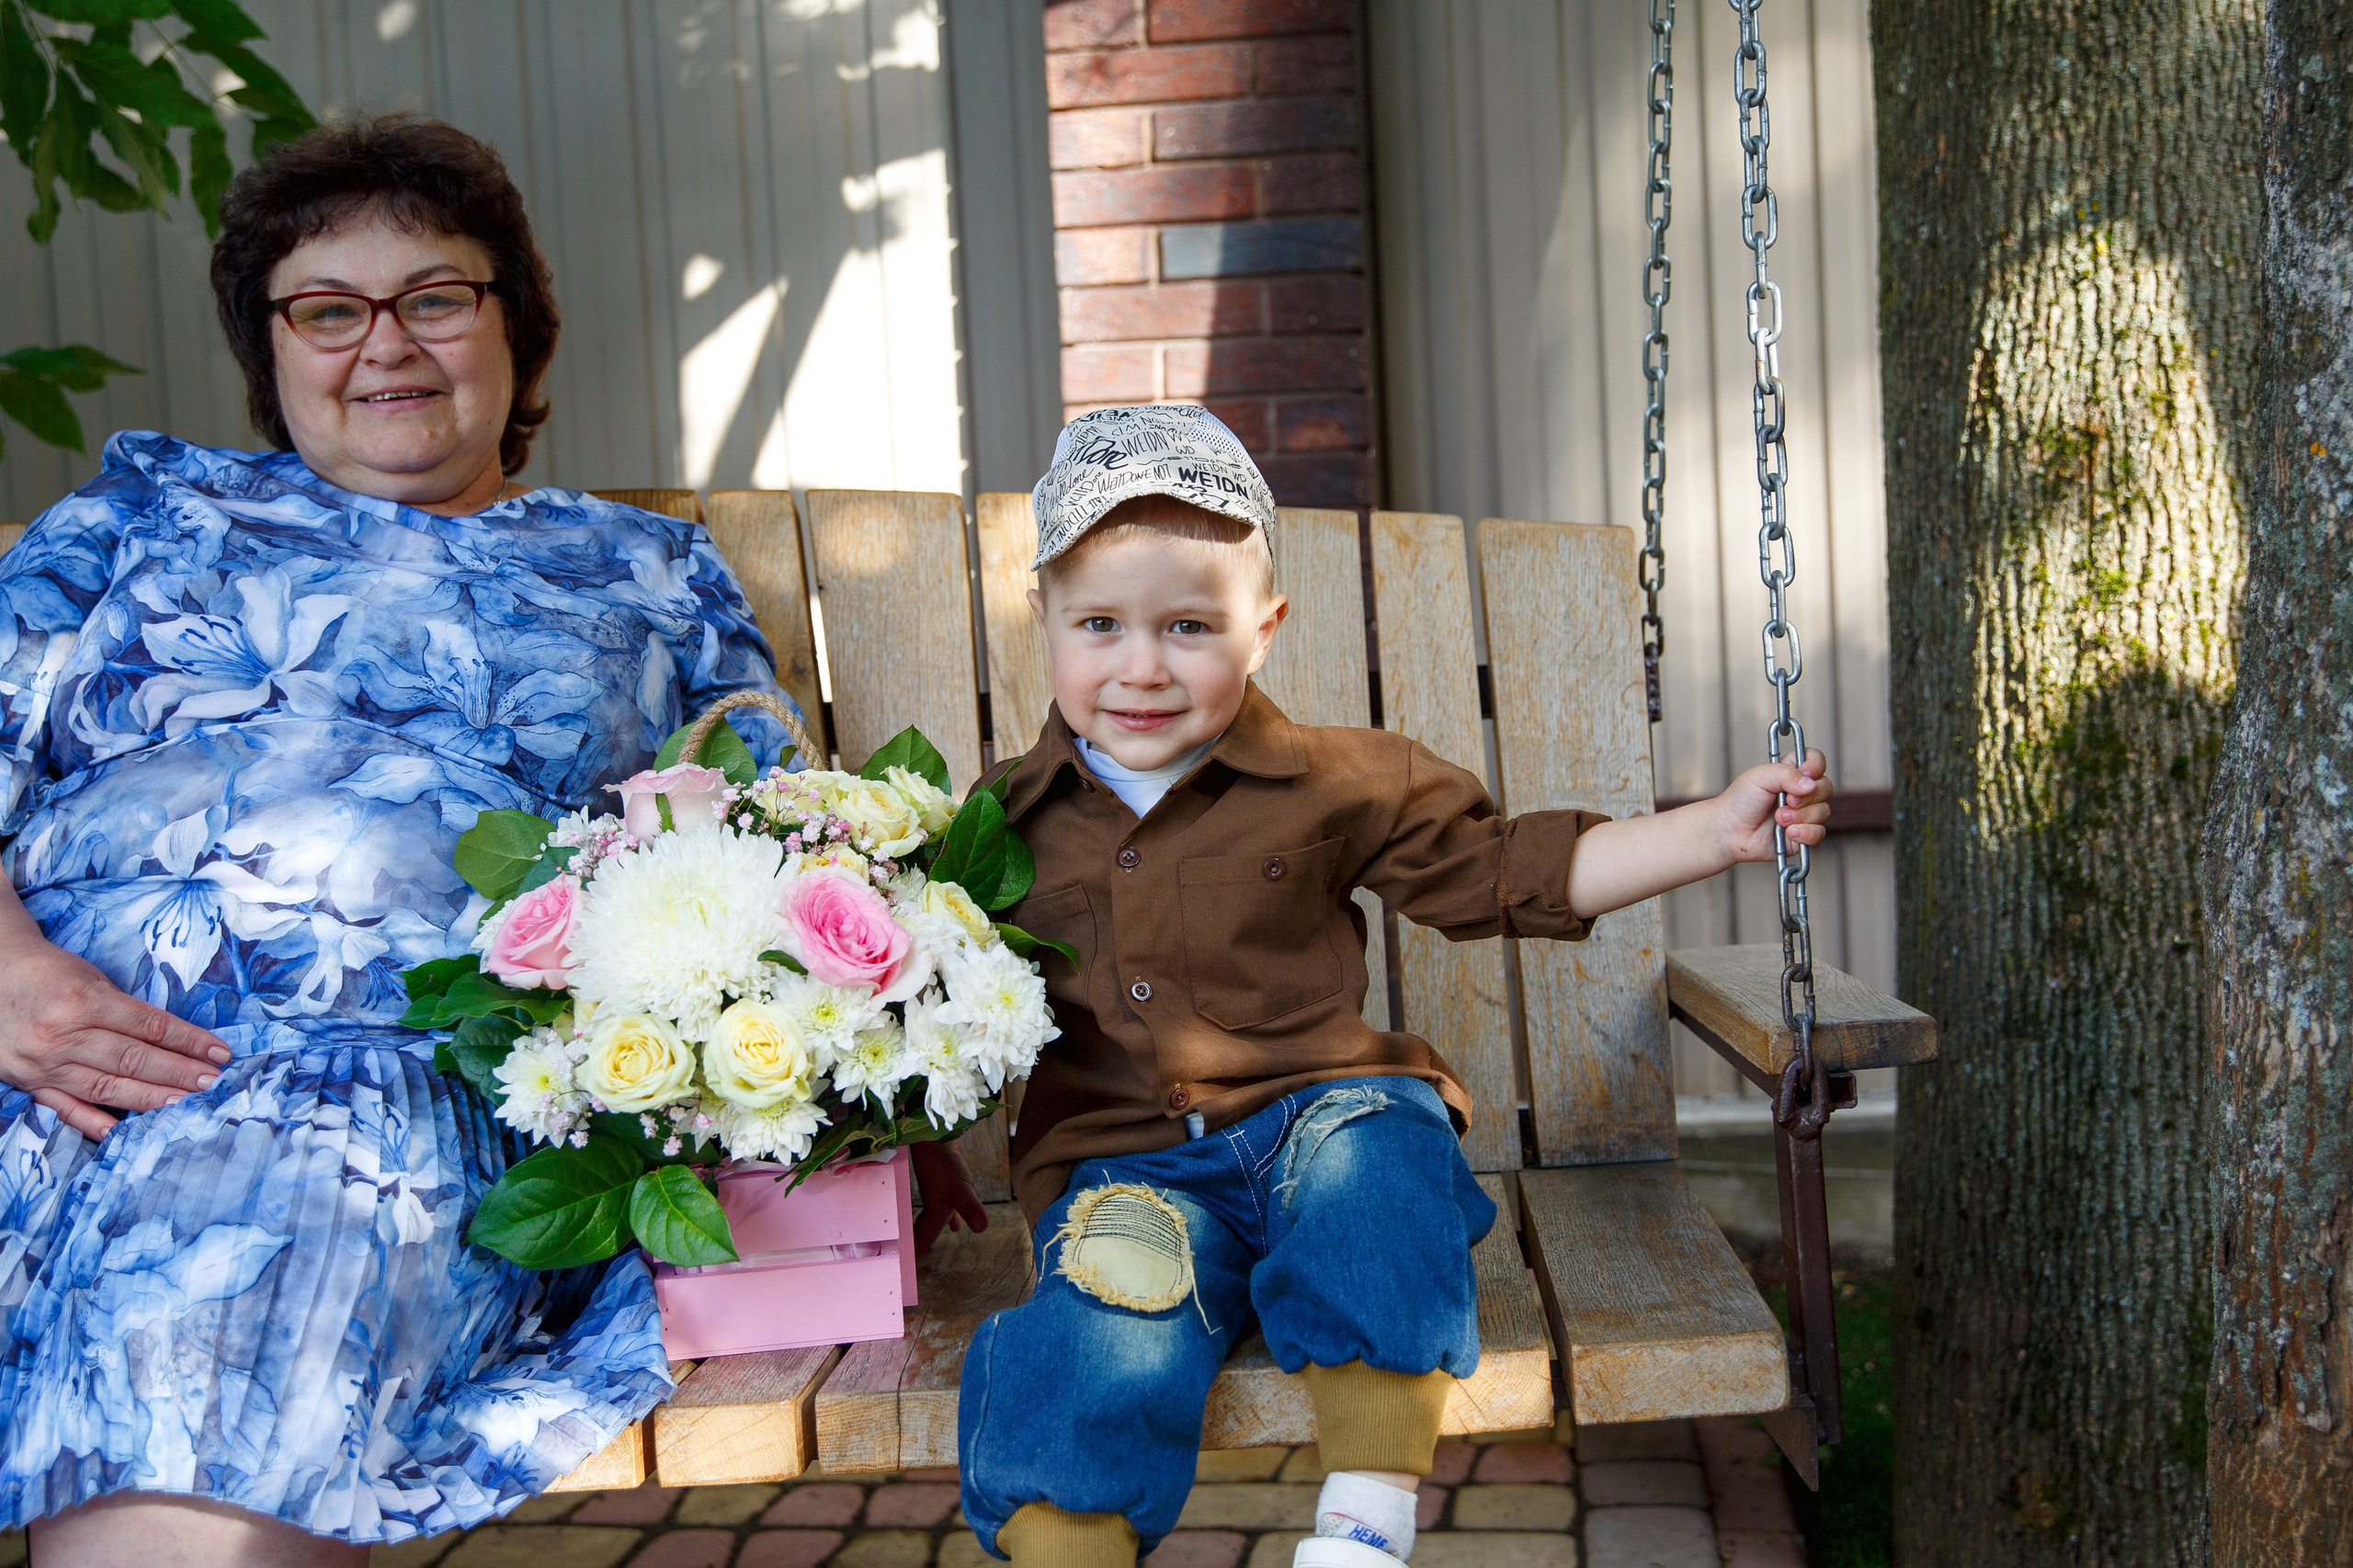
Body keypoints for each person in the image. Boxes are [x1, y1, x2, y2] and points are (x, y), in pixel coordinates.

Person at [0, 116, 801, 1566]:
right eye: (326, 309)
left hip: (375, 1097)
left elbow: (782, 847)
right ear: (273, 349)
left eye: (435, 296)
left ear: (519, 331)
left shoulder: (643, 569)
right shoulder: (141, 515)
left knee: (238, 1266)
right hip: (35, 1084)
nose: (386, 344)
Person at [950, 404, 1835, 1568]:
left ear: (1262, 629)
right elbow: (920, 991)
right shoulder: (997, 822)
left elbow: (1511, 869)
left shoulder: (1336, 780)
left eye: (1189, 626)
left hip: (1318, 1116)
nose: (1142, 666)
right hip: (1127, 1160)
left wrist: (1710, 830)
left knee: (1385, 1163)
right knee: (1102, 1314)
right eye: (1101, 624)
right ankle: (1076, 1546)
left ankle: (1364, 1529)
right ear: (1044, 621)